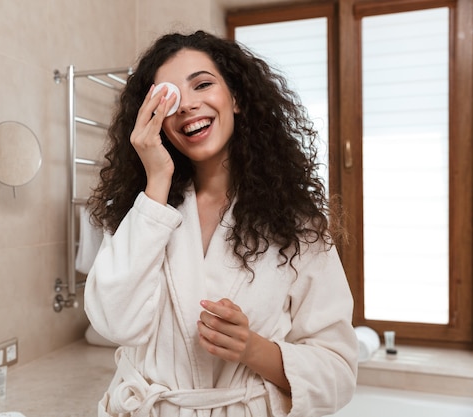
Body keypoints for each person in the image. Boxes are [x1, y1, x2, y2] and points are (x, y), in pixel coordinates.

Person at [84, 30, 357, 417]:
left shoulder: (296, 224)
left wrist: (253, 349)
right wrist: (157, 180)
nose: (187, 105)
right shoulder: (144, 212)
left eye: (203, 84)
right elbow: (114, 323)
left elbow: (339, 373)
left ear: (237, 98)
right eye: (169, 97)